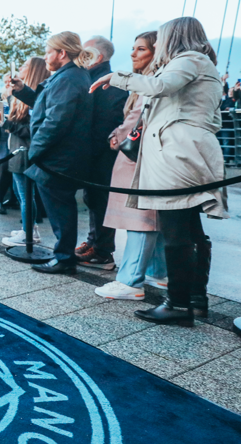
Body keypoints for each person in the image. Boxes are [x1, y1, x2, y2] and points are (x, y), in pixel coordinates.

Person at [92, 16, 226, 326]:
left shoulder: (190, 59)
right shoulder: (196, 62)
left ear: (173, 37)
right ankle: (193, 299)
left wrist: (116, 77)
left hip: (178, 154)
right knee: (189, 229)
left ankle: (178, 304)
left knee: (177, 229)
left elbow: (162, 86)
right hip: (184, 150)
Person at [9, 32, 96, 275]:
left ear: (62, 53)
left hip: (58, 158)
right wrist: (22, 91)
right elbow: (47, 103)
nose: (45, 57)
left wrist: (35, 151)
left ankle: (64, 258)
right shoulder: (69, 76)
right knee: (60, 209)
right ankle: (63, 255)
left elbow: (56, 120)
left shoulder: (69, 78)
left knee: (61, 210)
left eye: (48, 51)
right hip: (59, 156)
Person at [94, 31, 169, 301]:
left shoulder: (149, 83)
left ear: (155, 53)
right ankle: (159, 272)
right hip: (150, 158)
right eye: (133, 48)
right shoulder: (156, 81)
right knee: (153, 216)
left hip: (137, 159)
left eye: (141, 49)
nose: (133, 54)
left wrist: (116, 136)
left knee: (140, 217)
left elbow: (137, 117)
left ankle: (130, 280)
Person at [75, 36, 128, 270]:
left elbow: (104, 121)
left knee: (100, 199)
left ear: (98, 55)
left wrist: (89, 151)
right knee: (93, 198)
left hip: (101, 152)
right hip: (94, 150)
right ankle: (95, 241)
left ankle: (103, 250)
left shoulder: (109, 81)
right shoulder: (93, 77)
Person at [0, 57, 50, 246]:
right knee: (22, 195)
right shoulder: (24, 96)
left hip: (24, 152)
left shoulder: (36, 97)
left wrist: (7, 124)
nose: (20, 68)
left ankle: (30, 232)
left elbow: (31, 130)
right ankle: (29, 229)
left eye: (24, 66)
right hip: (17, 150)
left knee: (26, 195)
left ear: (33, 71)